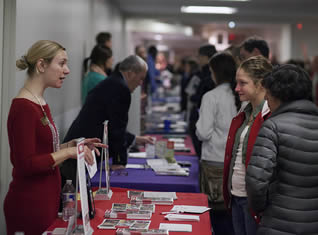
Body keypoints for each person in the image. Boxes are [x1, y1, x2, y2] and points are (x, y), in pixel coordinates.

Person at [3, 40, 105, 235]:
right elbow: (25, 163)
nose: (66, 70)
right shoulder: (23, 107)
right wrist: (68, 152)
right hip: (30, 203)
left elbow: (45, 152)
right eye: (61, 63)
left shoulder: (40, 102)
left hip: (47, 199)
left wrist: (73, 144)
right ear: (41, 65)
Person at [246, 64, 318, 234]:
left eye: (268, 95)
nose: (266, 101)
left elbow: (256, 181)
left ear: (279, 96)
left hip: (278, 222)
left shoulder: (273, 127)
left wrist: (260, 209)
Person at [60, 55, 154, 186]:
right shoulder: (121, 88)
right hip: (81, 151)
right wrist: (119, 161)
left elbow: (109, 123)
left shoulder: (112, 82)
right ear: (131, 73)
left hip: (81, 146)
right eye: (141, 78)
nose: (140, 83)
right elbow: (117, 128)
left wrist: (136, 139)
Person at [223, 55, 273, 235]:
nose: (236, 88)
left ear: (260, 84)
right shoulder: (245, 112)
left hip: (254, 202)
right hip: (236, 195)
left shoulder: (271, 117)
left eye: (242, 83)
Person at [196, 52, 240, 235]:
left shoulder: (211, 96)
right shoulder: (240, 95)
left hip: (213, 161)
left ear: (215, 72)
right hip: (235, 162)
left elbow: (203, 132)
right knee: (232, 216)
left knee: (215, 217)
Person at [188, 44, 217, 158]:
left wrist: (194, 97)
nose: (198, 60)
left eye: (199, 56)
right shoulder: (203, 73)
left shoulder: (209, 74)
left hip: (203, 117)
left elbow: (202, 97)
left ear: (206, 57)